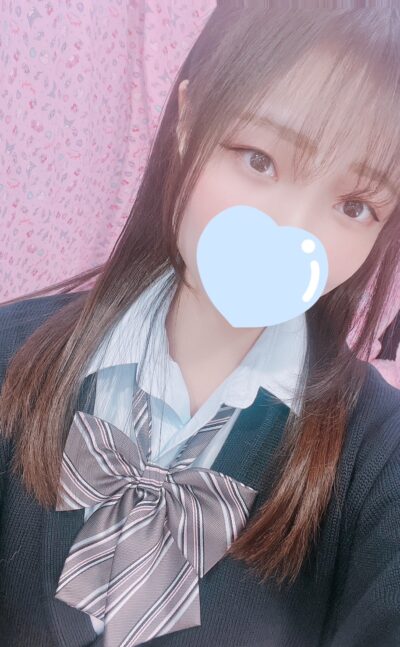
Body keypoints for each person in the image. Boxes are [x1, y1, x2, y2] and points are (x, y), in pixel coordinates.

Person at [0, 5, 400, 647]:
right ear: (188, 120)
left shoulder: (379, 455)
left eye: (354, 205)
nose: (290, 232)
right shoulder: (9, 353)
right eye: (259, 160)